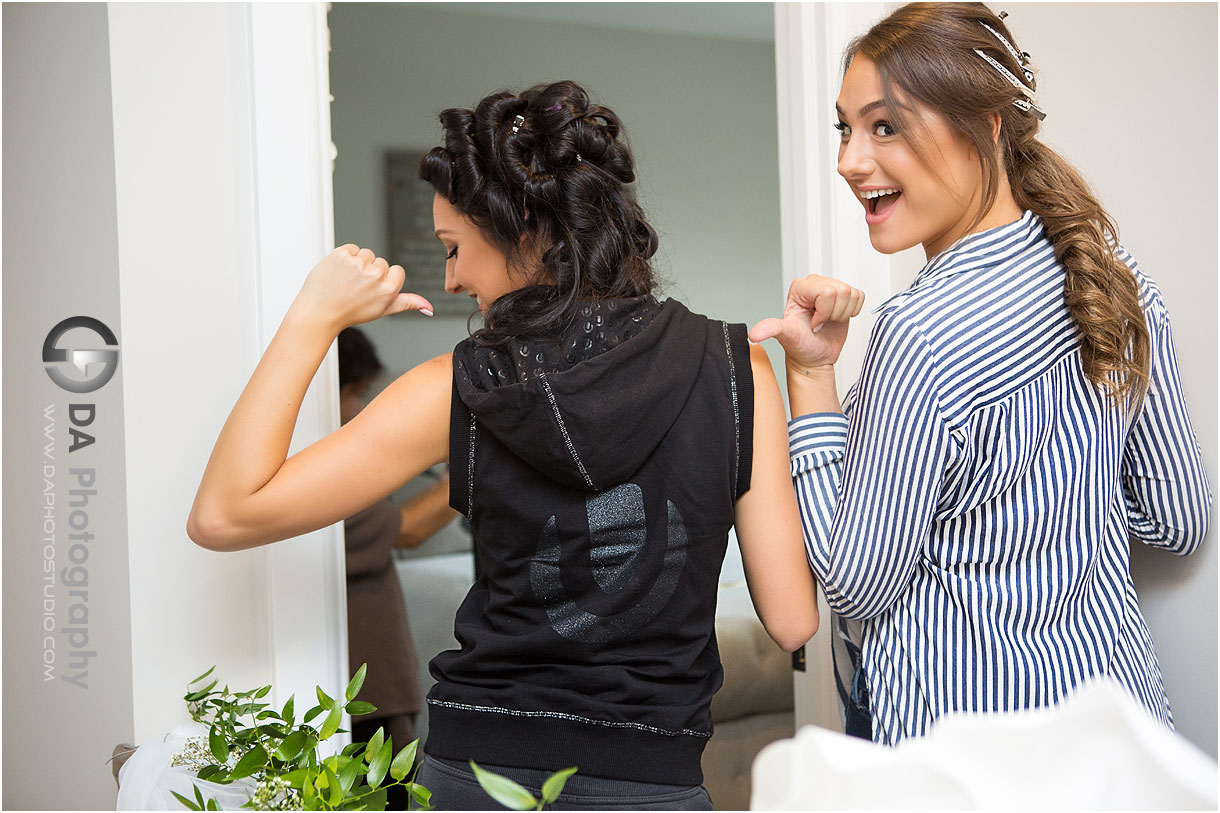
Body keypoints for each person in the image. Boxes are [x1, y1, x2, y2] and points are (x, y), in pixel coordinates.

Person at [188, 79, 817, 810]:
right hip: (652, 778)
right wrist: (811, 374)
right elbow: (794, 620)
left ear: (521, 222)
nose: (452, 277)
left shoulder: (452, 388)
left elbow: (224, 513)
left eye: (454, 248)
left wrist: (312, 318)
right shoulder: (739, 369)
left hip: (478, 773)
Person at [750, 2, 1211, 746]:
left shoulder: (918, 335)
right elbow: (1178, 523)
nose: (847, 160)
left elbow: (854, 584)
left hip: (971, 756)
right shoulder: (1118, 290)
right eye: (845, 128)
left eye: (885, 125)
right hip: (1123, 739)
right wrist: (1051, 528)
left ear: (987, 125)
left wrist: (810, 381)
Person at [337, 326, 457, 810]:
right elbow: (406, 529)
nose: (360, 409)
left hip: (374, 691)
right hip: (368, 696)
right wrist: (475, 465)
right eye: (357, 394)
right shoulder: (320, 481)